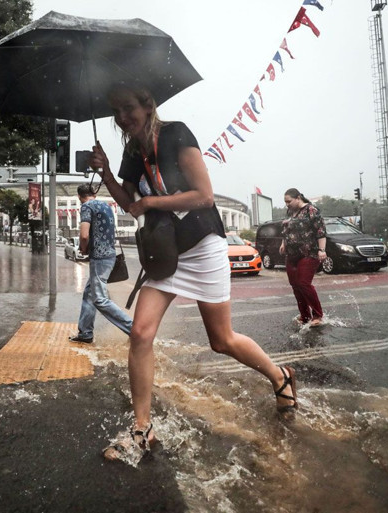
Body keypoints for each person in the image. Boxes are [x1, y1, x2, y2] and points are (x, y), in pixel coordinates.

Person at [89, 84, 298, 464]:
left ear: (147, 104)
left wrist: (152, 201)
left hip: (203, 247)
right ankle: (142, 427)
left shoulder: (176, 134)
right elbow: (131, 207)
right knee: (140, 332)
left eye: (128, 108)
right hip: (166, 254)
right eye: (116, 111)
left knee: (222, 340)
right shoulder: (132, 152)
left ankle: (280, 376)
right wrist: (105, 174)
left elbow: (204, 195)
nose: (122, 118)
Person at [68, 183, 133, 344]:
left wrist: (83, 249)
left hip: (99, 257)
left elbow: (84, 235)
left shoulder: (86, 207)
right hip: (110, 255)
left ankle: (134, 328)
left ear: (79, 196)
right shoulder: (106, 206)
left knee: (100, 299)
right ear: (94, 194)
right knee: (89, 294)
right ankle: (85, 333)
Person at [279, 188, 326, 327]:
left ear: (298, 197)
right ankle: (305, 315)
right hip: (292, 254)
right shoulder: (290, 211)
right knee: (295, 285)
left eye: (289, 201)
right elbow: (286, 230)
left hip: (308, 253)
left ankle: (318, 315)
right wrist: (283, 243)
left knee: (303, 283)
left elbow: (321, 231)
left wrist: (322, 250)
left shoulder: (311, 210)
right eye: (285, 202)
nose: (287, 204)